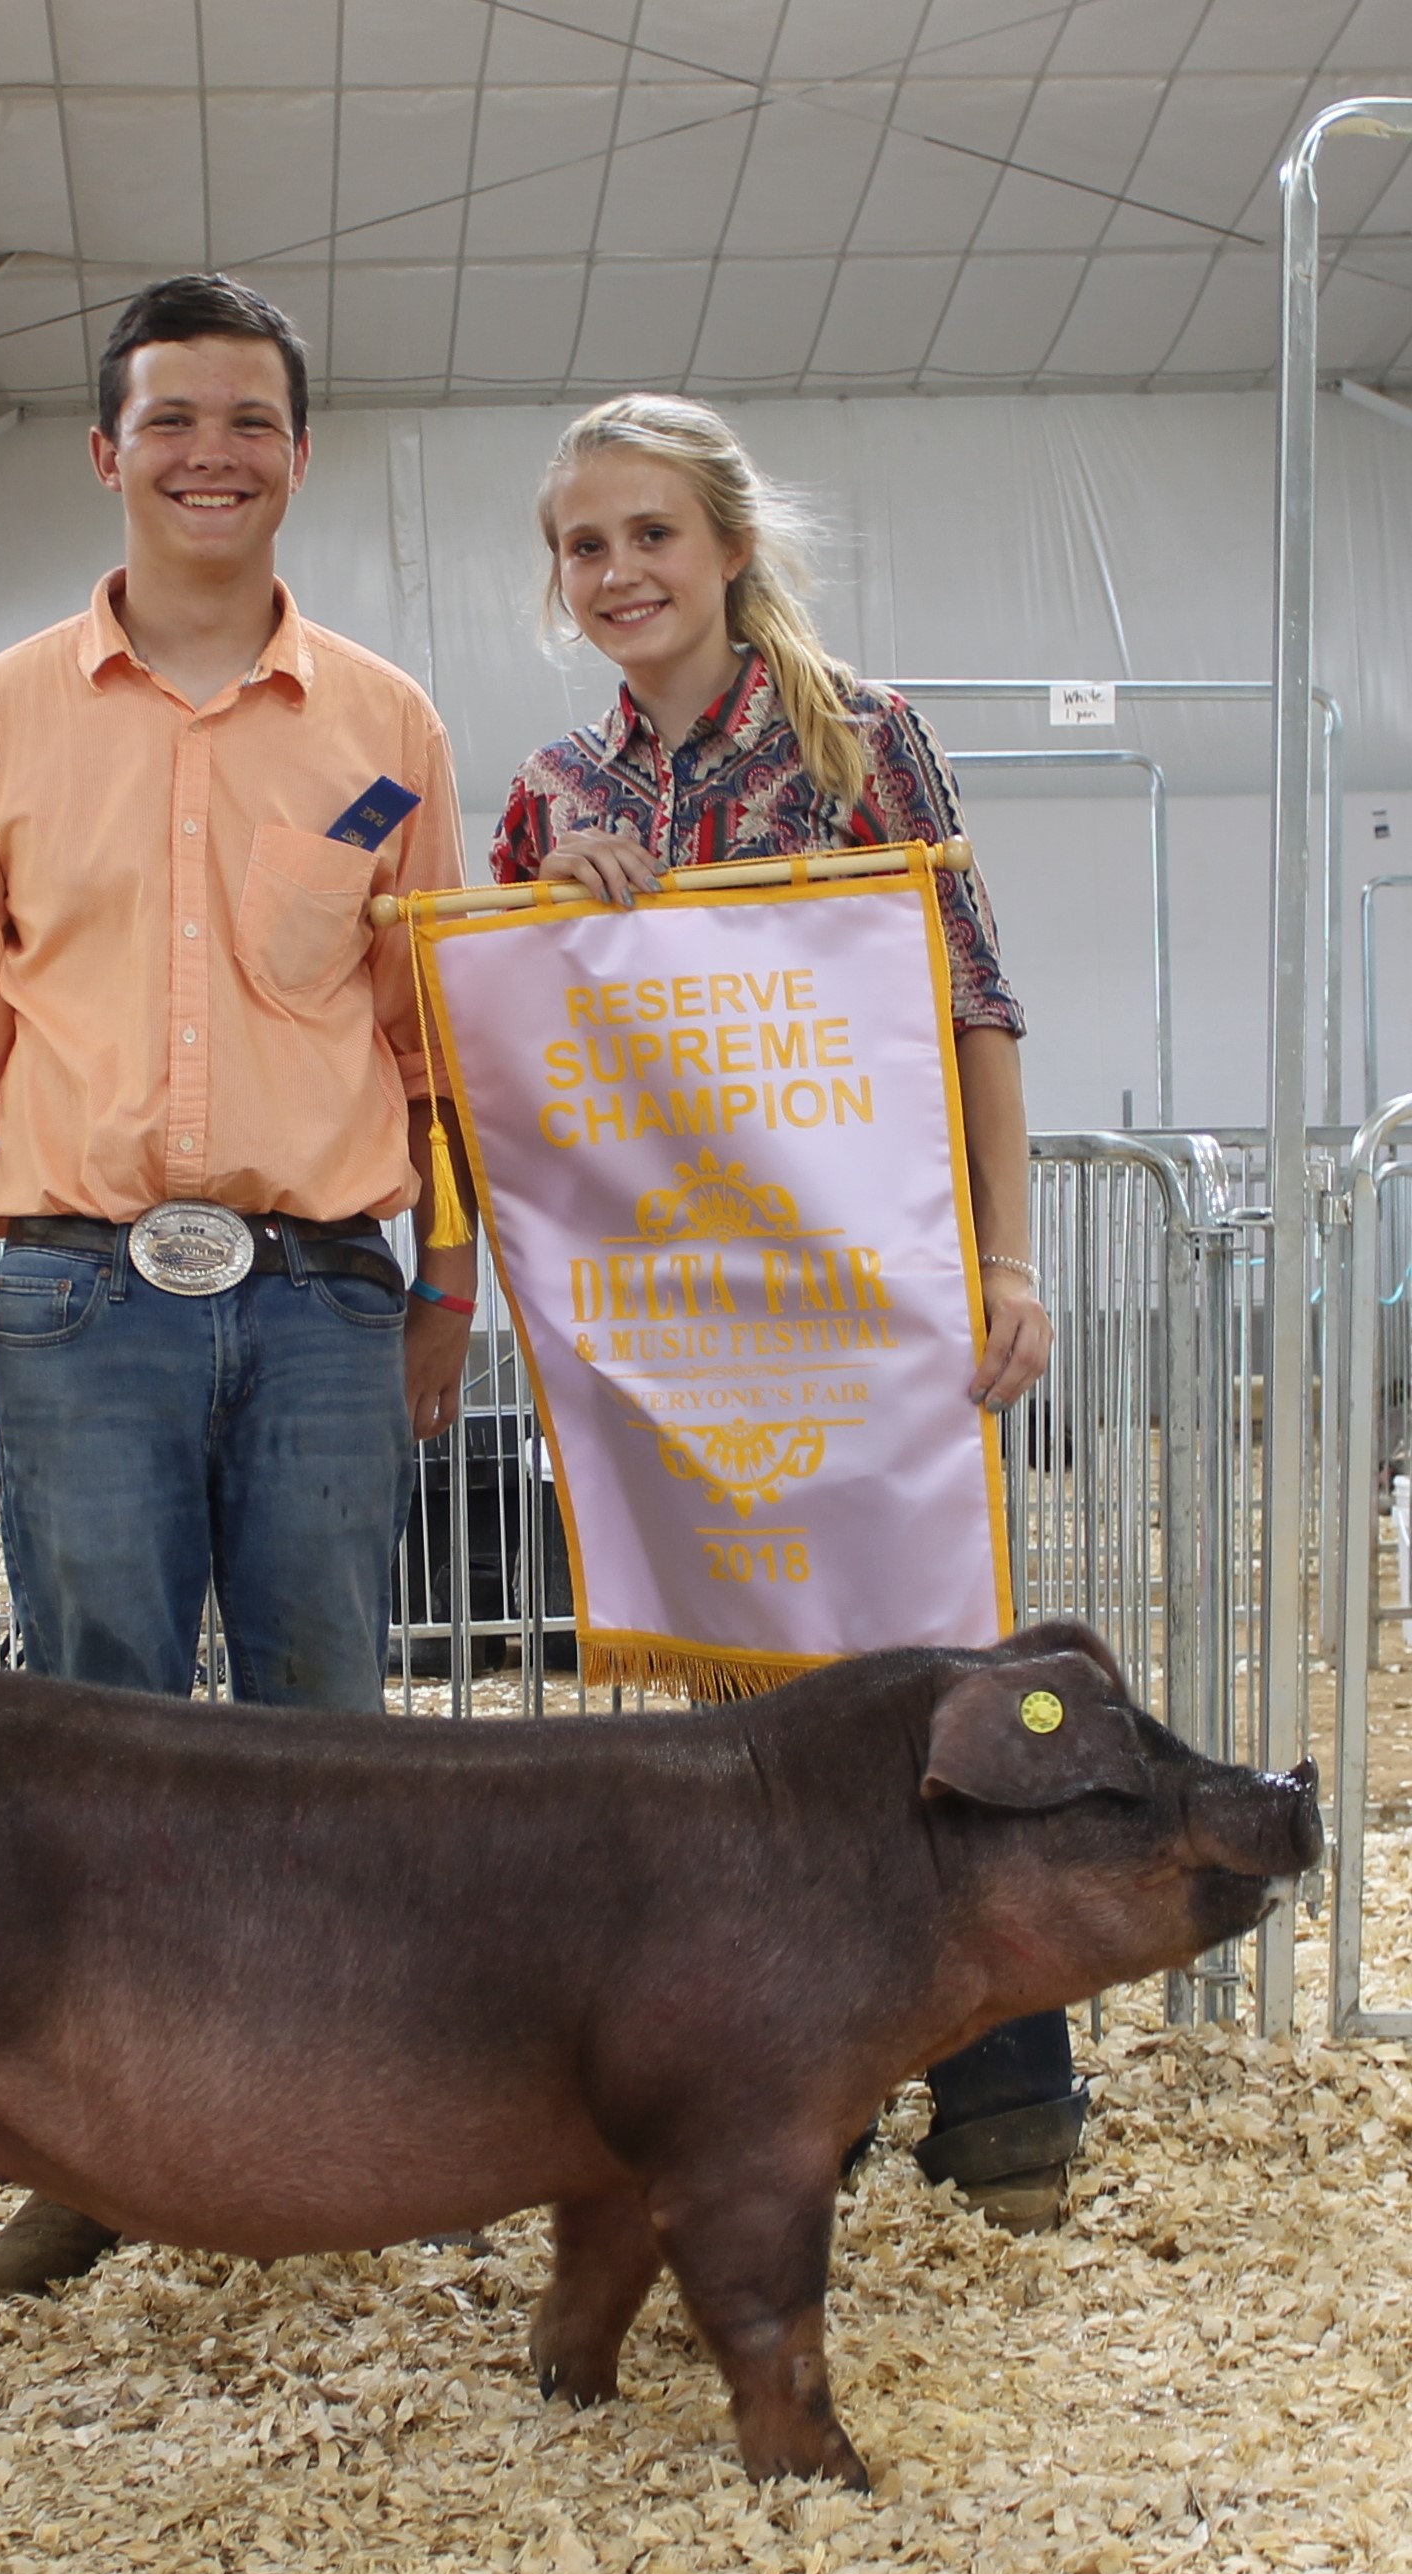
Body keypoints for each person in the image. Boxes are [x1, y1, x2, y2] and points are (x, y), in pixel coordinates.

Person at [0, 274, 477, 2293]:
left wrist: (444, 1284)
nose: (215, 452)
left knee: (328, 1713)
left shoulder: (386, 731)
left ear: (302, 454)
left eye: (253, 420)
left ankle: (341, 2126)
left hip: (323, 1292)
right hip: (85, 1297)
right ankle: (104, 2147)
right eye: (174, 419)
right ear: (107, 454)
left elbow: (440, 1035)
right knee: (98, 1714)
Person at [493, 393, 1082, 2234]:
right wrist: (537, 911)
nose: (618, 572)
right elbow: (510, 1039)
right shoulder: (557, 794)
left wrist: (1004, 1254)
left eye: (651, 534)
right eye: (585, 544)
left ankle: (1007, 2088)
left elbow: (971, 1001)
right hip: (682, 1330)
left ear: (731, 548)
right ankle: (797, 2088)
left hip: (871, 1299)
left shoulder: (859, 740)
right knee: (740, 1732)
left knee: (931, 1682)